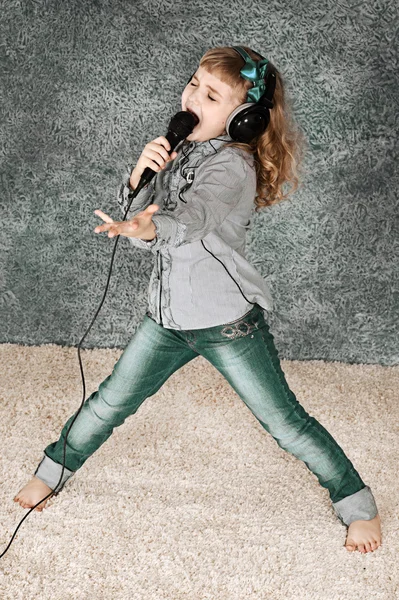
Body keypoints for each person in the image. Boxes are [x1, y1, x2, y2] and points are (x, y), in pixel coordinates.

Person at [14, 45, 382, 554]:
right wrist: (137, 179)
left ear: (246, 119)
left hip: (225, 322)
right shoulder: (182, 147)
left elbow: (192, 220)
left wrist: (147, 227)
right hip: (166, 318)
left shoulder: (233, 167)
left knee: (285, 423)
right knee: (109, 402)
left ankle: (356, 502)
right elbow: (137, 212)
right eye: (193, 84)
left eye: (211, 95)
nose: (192, 97)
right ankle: (54, 469)